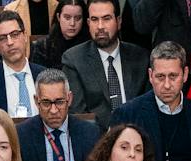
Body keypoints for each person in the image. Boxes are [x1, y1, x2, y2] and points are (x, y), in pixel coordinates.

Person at [112, 41, 191, 161]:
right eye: (160, 77)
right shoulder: (127, 115)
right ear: (150, 76)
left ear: (185, 74)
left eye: (173, 76)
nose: (167, 85)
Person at [60, 0, 148, 130]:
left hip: (137, 139)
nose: (100, 26)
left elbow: (147, 109)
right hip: (96, 142)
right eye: (95, 20)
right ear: (88, 23)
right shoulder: (74, 60)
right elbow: (79, 116)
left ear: (119, 22)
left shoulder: (140, 58)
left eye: (106, 19)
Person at [17, 68, 99, 161]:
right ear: (36, 101)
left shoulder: (90, 133)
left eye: (59, 102)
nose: (53, 110)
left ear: (69, 99)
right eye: (46, 103)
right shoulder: (22, 135)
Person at [31, 0, 87, 68]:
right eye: (67, 17)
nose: (72, 23)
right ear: (58, 17)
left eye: (77, 18)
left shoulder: (90, 47)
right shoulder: (43, 47)